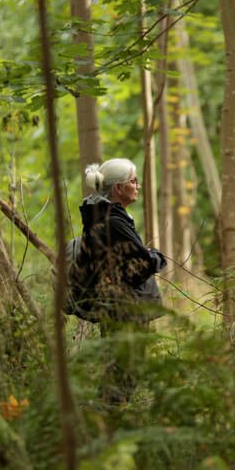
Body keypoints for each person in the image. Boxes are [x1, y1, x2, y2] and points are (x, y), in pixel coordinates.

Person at [79, 158, 166, 402]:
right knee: (123, 373)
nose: (137, 186)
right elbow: (143, 264)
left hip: (119, 305)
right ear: (118, 188)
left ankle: (104, 423)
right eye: (133, 181)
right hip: (126, 309)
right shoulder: (114, 220)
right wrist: (157, 256)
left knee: (120, 372)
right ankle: (105, 423)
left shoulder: (106, 217)